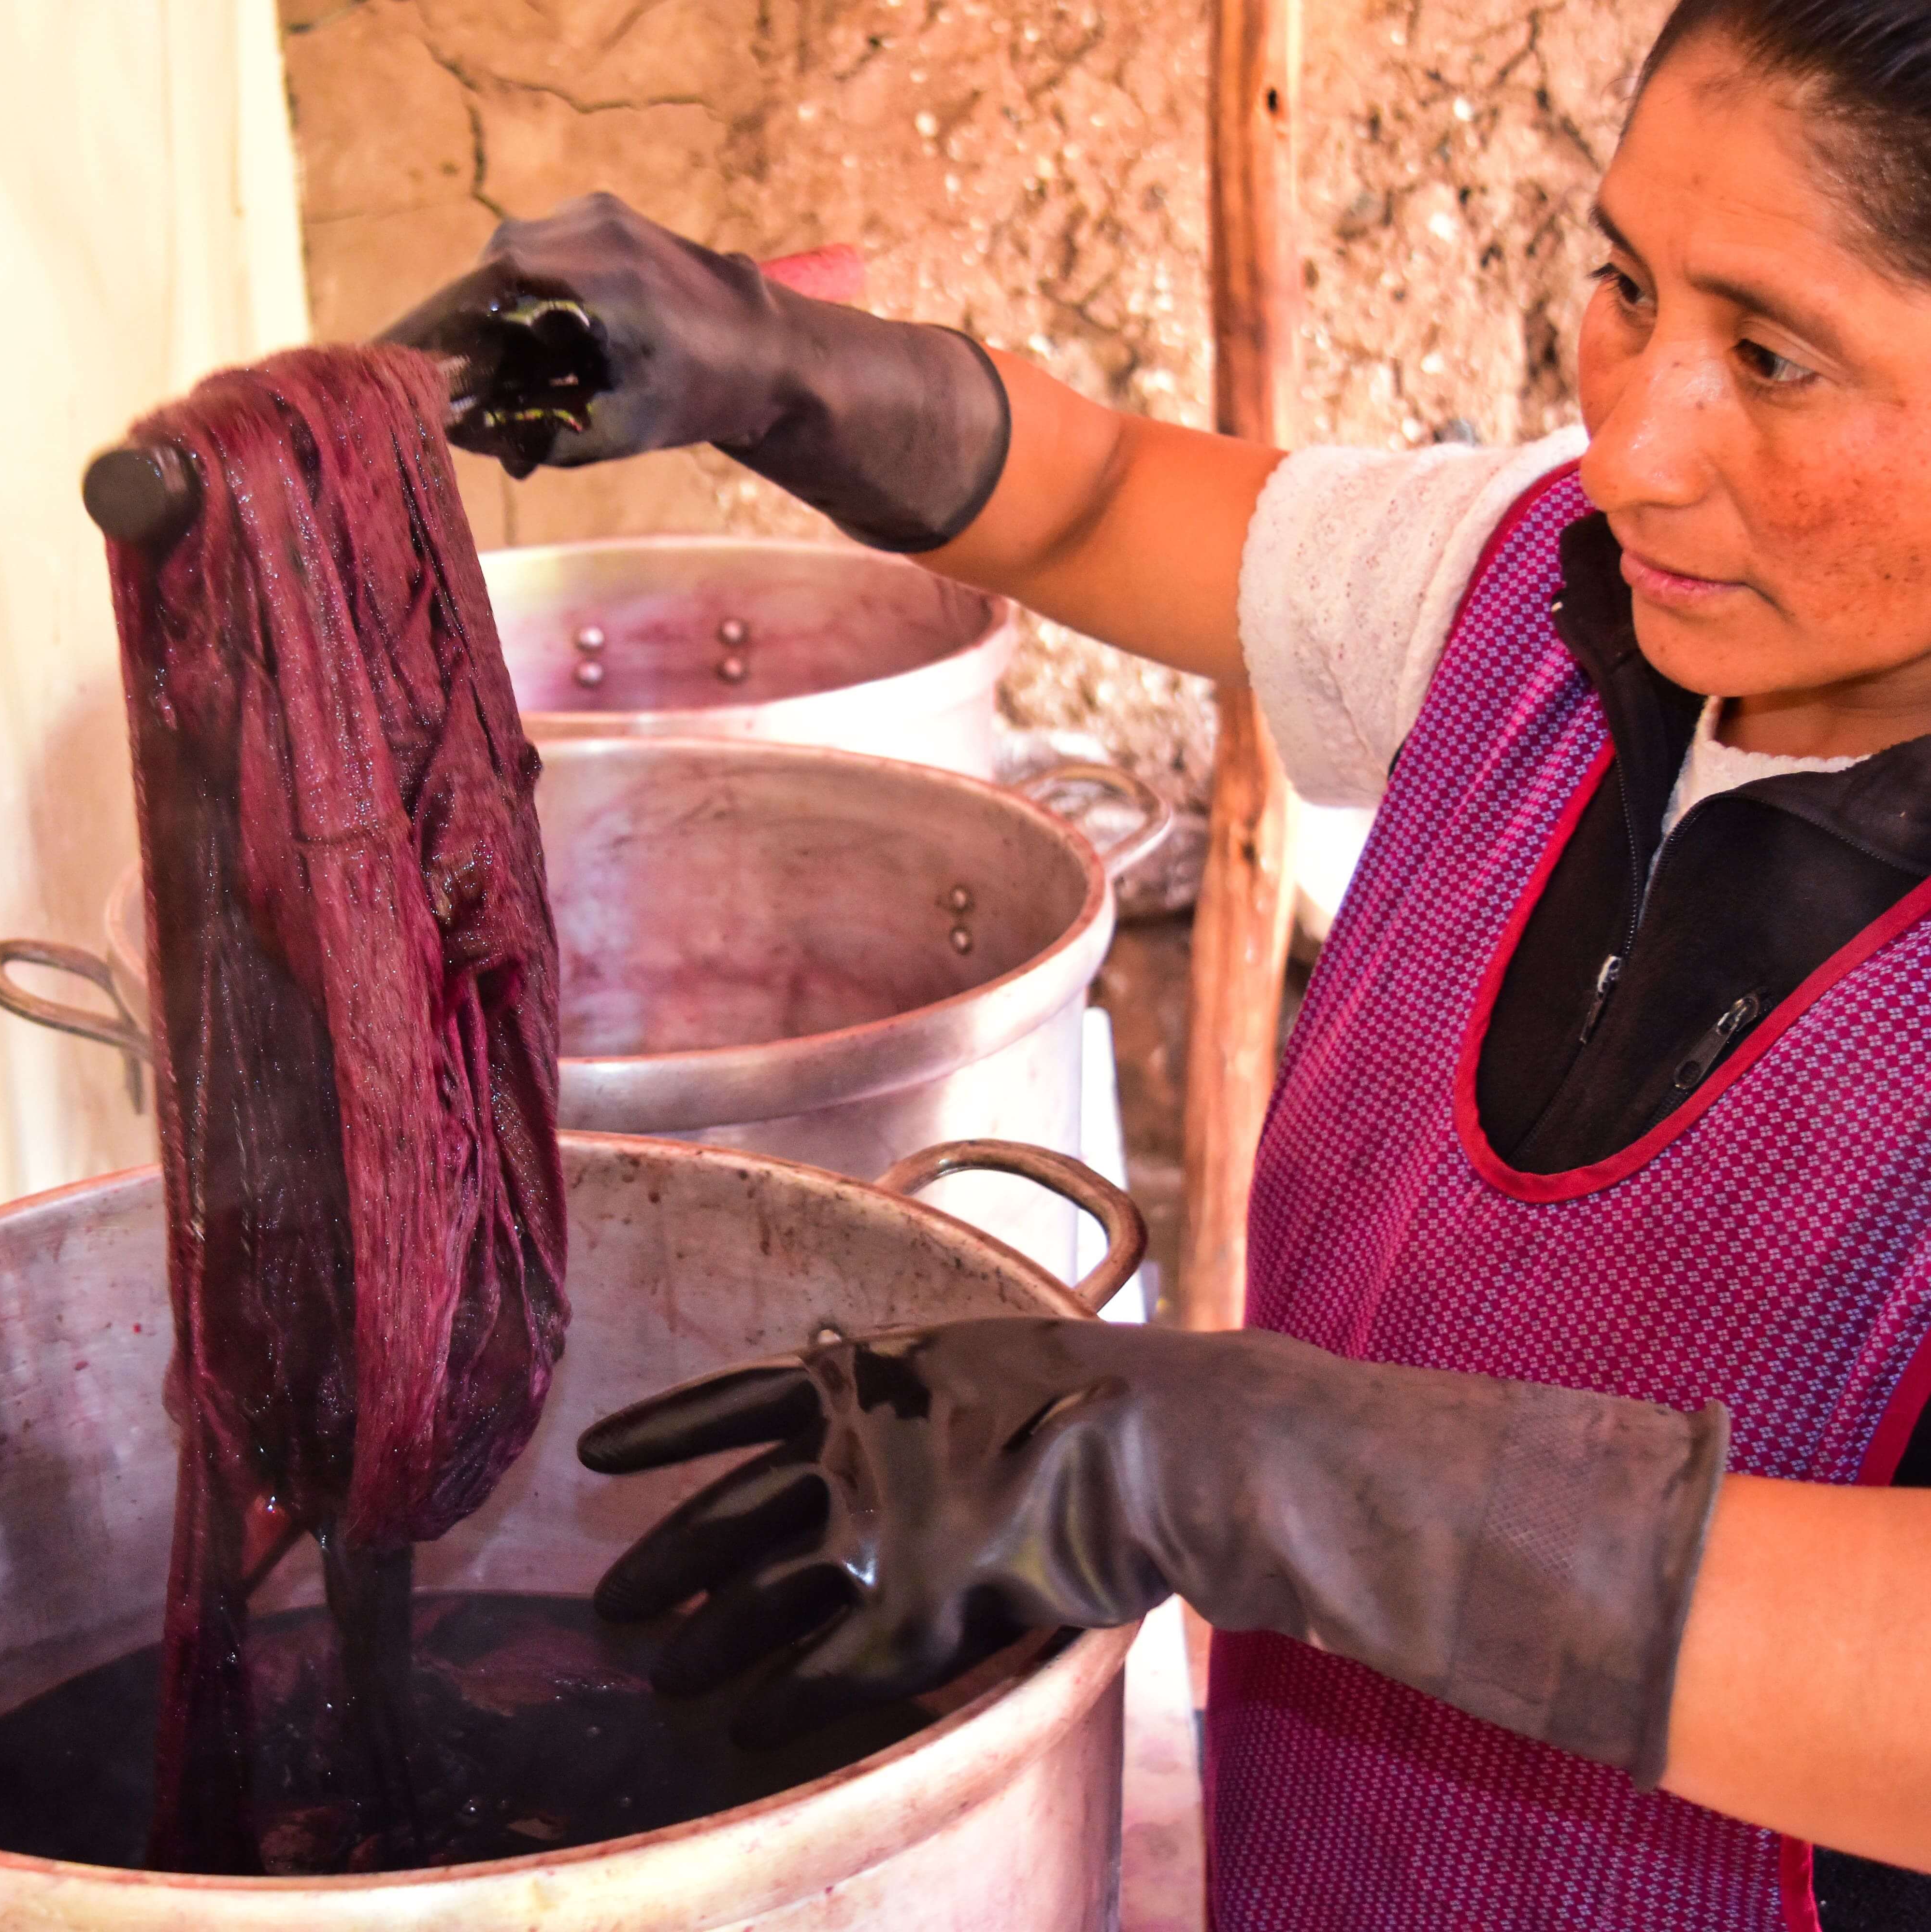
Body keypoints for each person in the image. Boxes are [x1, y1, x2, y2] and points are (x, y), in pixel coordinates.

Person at [386, 2, 1931, 1925]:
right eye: (1624, 283)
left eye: (1774, 357)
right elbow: (1114, 496)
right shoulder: (1538, 594)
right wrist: (769, 363)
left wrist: (1224, 1463)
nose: (1632, 447)